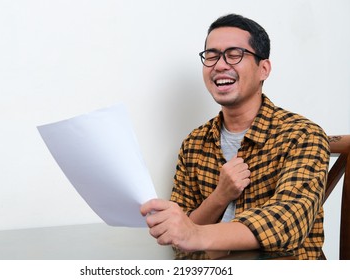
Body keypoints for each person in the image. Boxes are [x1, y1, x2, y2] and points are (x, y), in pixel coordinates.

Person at [140, 14, 330, 260]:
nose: (219, 65)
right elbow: (179, 239)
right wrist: (220, 196)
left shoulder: (301, 135)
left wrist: (196, 235)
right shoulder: (194, 143)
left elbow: (287, 223)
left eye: (234, 54)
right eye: (211, 55)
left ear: (264, 69)